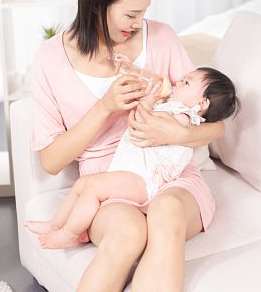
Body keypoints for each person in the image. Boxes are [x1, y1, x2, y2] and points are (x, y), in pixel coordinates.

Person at [29, 0, 225, 291]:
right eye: (130, 14)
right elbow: (51, 160)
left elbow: (215, 123)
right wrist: (104, 107)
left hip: (172, 176)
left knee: (166, 218)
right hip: (109, 187)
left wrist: (178, 135)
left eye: (143, 12)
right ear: (97, 4)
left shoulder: (162, 37)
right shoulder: (50, 59)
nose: (138, 24)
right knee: (127, 235)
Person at [25, 66, 239, 249]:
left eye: (186, 83)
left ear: (201, 104)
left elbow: (145, 122)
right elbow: (143, 120)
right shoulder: (171, 108)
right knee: (83, 184)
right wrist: (150, 99)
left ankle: (69, 234)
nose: (178, 81)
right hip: (134, 172)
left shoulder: (185, 118)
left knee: (92, 189)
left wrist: (150, 101)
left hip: (146, 180)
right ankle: (56, 223)